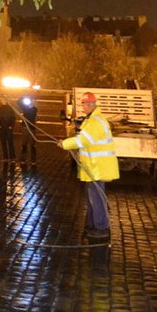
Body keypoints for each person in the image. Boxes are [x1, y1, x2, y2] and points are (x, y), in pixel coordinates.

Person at [62, 91, 119, 241]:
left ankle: (101, 228)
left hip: (98, 168)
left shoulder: (95, 122)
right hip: (93, 168)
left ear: (91, 104)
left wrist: (64, 144)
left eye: (85, 104)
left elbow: (82, 141)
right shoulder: (91, 120)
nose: (83, 107)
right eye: (82, 104)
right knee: (92, 197)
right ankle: (93, 224)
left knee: (96, 198)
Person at [0, 100, 16, 164]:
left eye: (4, 100)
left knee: (10, 142)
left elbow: (13, 118)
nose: (3, 101)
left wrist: (11, 126)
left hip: (8, 128)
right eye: (2, 100)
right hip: (2, 128)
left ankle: (12, 157)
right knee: (3, 143)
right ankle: (5, 157)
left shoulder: (10, 108)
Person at [19, 95, 38, 163]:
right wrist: (24, 97)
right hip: (25, 128)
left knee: (32, 144)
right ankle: (23, 158)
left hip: (32, 128)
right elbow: (18, 102)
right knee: (24, 144)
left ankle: (33, 159)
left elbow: (33, 116)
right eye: (31, 101)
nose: (31, 102)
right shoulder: (25, 108)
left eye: (32, 101)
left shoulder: (35, 109)